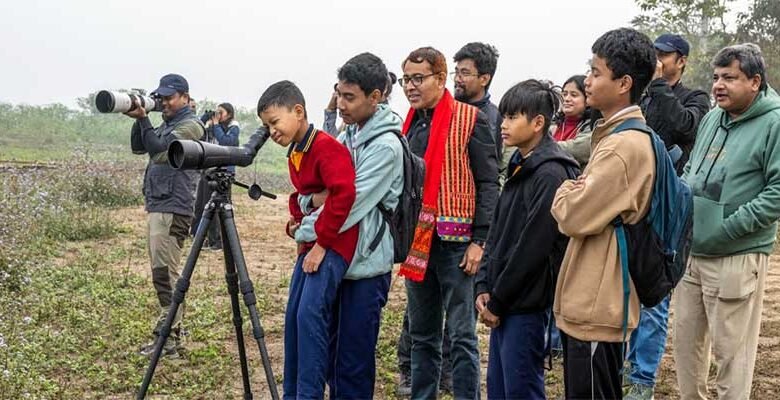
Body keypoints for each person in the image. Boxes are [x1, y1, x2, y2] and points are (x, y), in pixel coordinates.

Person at [551, 28, 657, 398]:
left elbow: (572, 216)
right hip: (594, 298)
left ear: (624, 82)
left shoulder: (622, 148)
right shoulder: (616, 137)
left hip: (599, 304)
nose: (587, 80)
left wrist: (565, 188)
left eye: (596, 72)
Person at [674, 43, 780, 400]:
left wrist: (731, 226)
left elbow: (777, 191)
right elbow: (691, 169)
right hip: (693, 254)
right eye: (717, 77)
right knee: (687, 351)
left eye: (729, 78)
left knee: (732, 356)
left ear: (755, 81)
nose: (718, 85)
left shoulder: (775, 122)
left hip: (737, 255)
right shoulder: (711, 119)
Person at [294, 52, 404, 399]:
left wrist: (303, 228)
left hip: (367, 267)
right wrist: (306, 203)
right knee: (328, 354)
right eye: (339, 94)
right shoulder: (348, 136)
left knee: (353, 364)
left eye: (350, 97)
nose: (341, 103)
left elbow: (349, 204)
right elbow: (316, 191)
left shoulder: (385, 147)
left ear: (376, 97)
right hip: (342, 259)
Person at [399, 46, 499, 400]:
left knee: (461, 336)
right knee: (422, 334)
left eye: (418, 78)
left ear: (441, 79)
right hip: (418, 241)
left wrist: (479, 242)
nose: (410, 86)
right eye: (406, 79)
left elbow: (489, 183)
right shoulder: (407, 124)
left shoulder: (471, 119)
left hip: (458, 245)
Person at [475, 79, 579, 399]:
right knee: (500, 388)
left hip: (525, 302)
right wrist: (482, 285)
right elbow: (498, 232)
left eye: (512, 117)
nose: (503, 125)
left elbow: (533, 247)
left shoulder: (551, 173)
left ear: (537, 123)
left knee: (521, 388)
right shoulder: (520, 164)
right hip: (503, 298)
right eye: (503, 116)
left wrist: (499, 298)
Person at [257, 80, 358, 399]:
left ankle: (309, 394)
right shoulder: (296, 153)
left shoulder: (326, 147)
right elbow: (300, 197)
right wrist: (299, 214)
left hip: (332, 245)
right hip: (310, 244)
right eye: (266, 126)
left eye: (274, 122)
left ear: (298, 111)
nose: (272, 131)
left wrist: (322, 245)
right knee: (293, 318)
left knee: (310, 316)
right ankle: (293, 393)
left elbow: (344, 194)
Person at [623, 33, 710, 400]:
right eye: (654, 54)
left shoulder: (695, 98)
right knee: (627, 286)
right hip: (633, 200)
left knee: (656, 291)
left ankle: (644, 379)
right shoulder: (641, 95)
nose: (658, 59)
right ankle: (627, 365)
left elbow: (684, 128)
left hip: (667, 205)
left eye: (665, 55)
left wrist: (658, 84)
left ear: (681, 60)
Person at [126, 73, 205, 358]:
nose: (164, 102)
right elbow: (139, 147)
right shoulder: (167, 125)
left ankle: (170, 340)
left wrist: (145, 118)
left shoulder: (190, 127)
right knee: (162, 273)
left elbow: (160, 154)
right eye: (160, 97)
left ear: (185, 97)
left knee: (166, 275)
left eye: (169, 97)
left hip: (174, 208)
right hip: (160, 206)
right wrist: (139, 117)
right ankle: (170, 333)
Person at [551, 75, 601, 169]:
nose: (567, 99)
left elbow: (576, 150)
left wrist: (541, 147)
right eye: (564, 94)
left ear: (587, 100)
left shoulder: (593, 127)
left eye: (574, 95)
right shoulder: (553, 127)